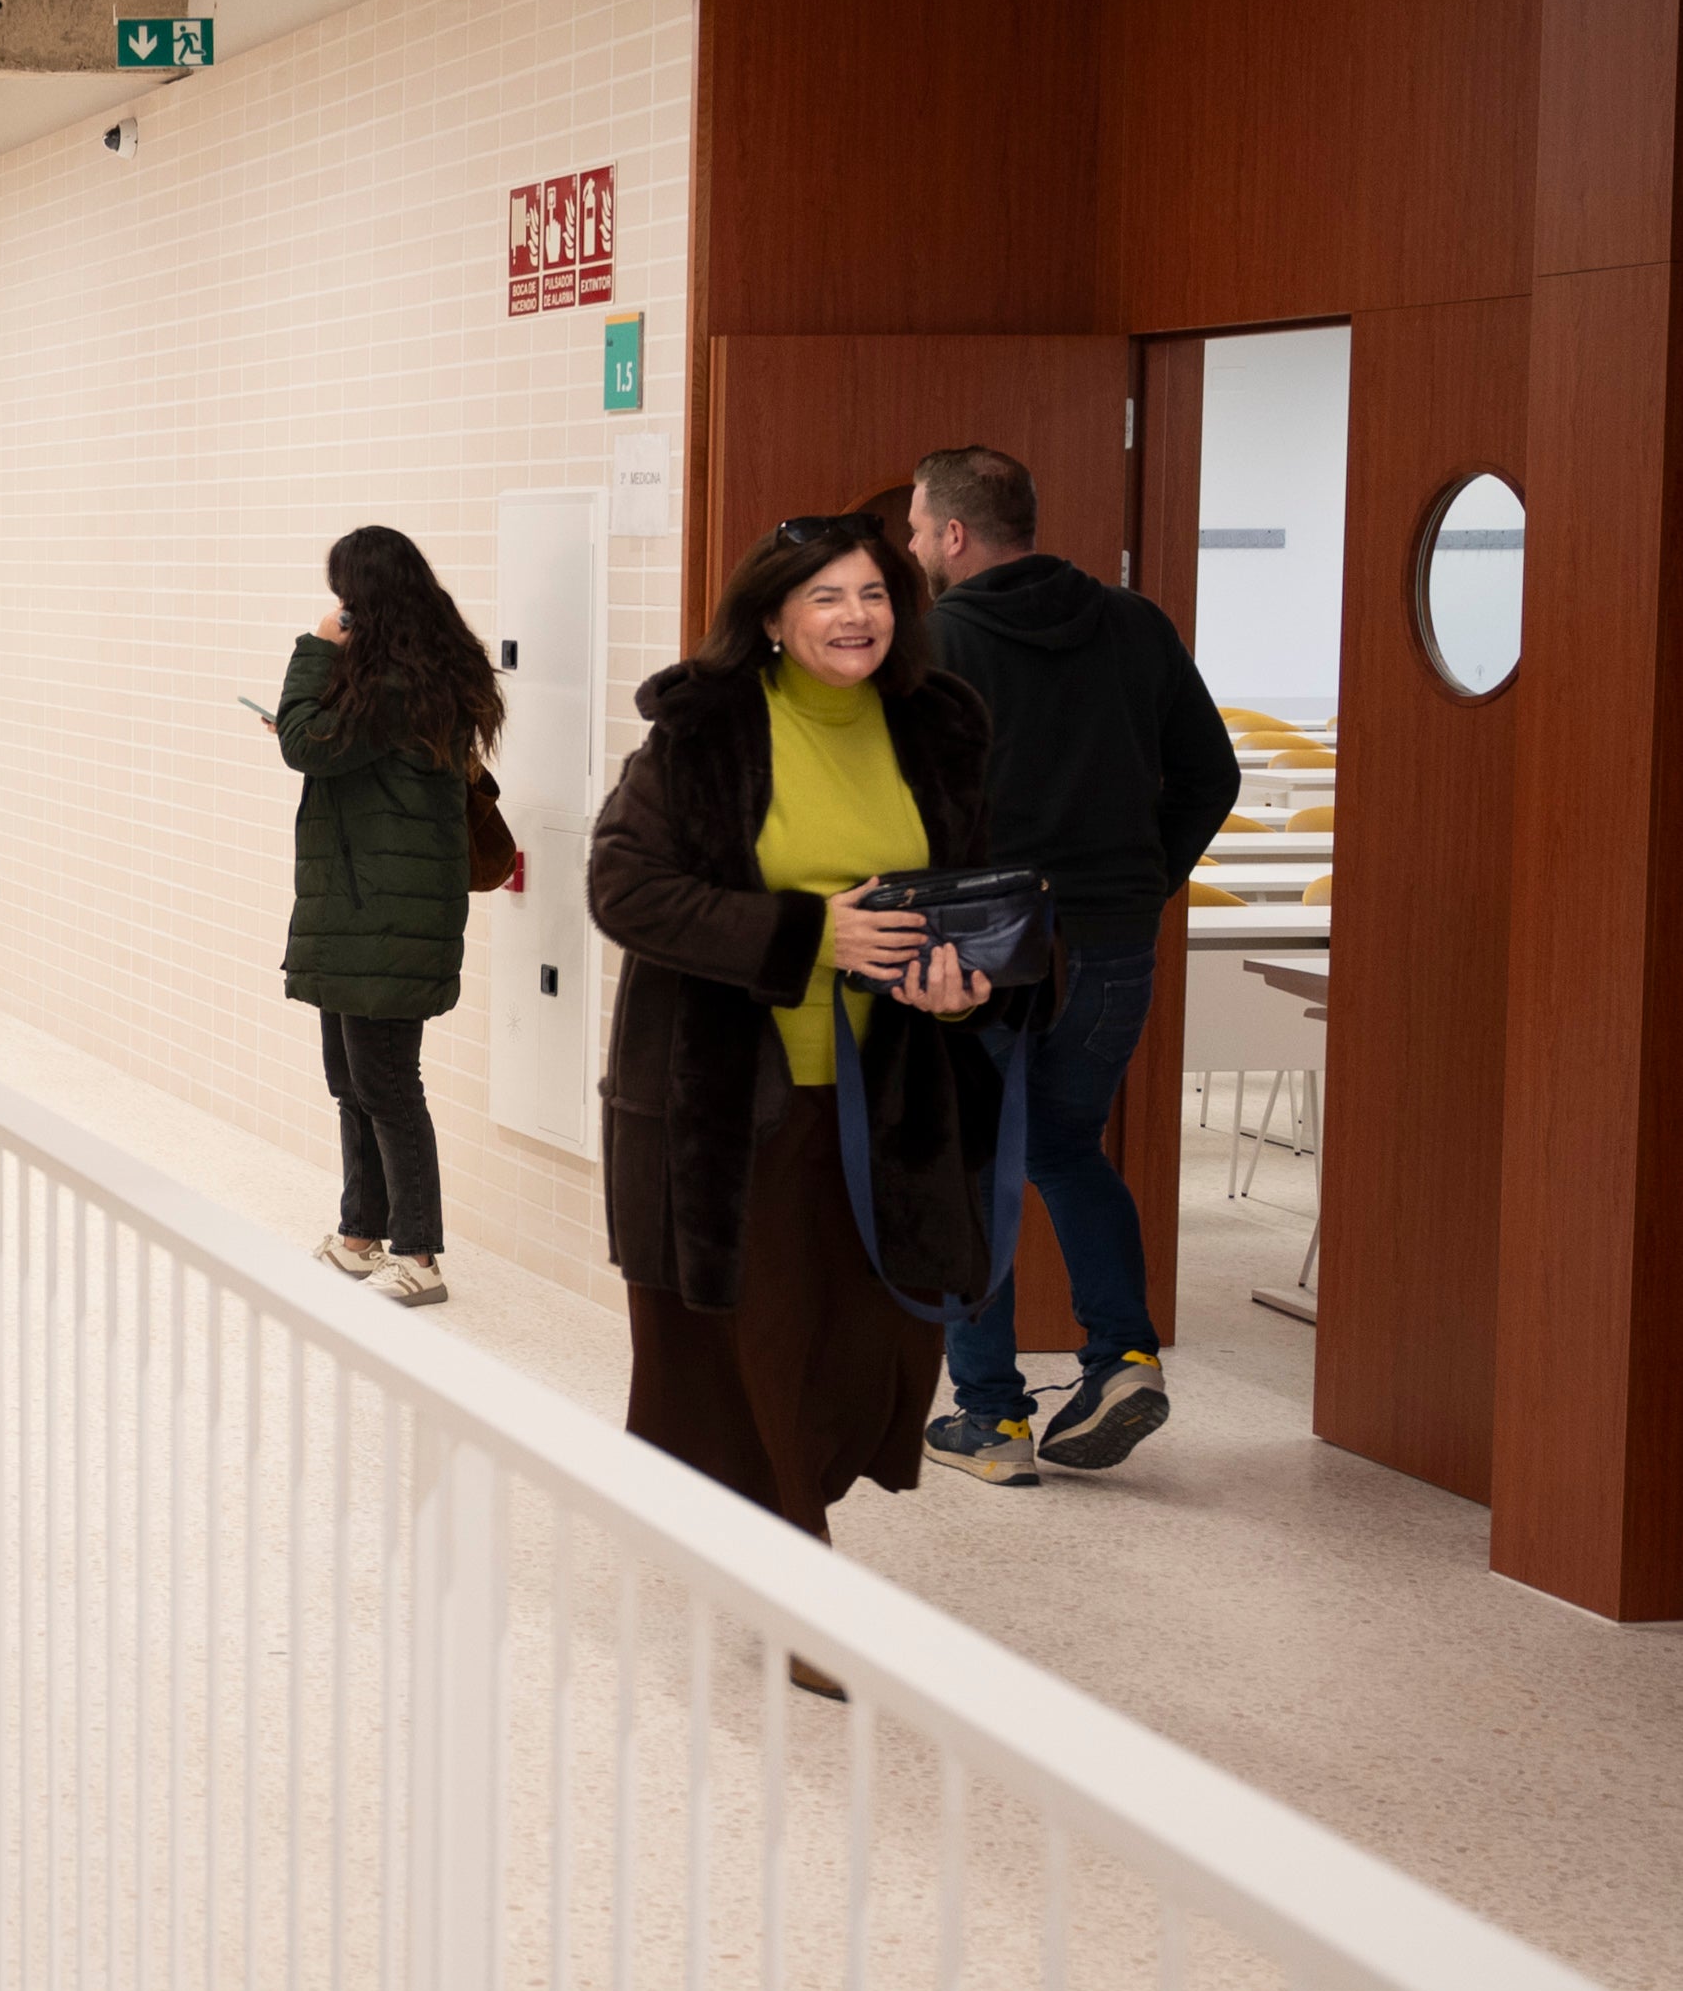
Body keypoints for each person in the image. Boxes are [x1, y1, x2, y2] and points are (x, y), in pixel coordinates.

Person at [588, 514, 1021, 1685]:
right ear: (773, 616)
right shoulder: (706, 729)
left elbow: (976, 887)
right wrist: (809, 932)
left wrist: (965, 981)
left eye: (873, 593)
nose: (855, 616)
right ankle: (802, 1582)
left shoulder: (937, 729)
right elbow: (623, 889)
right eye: (825, 596)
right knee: (756, 1341)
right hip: (731, 1103)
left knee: (865, 1342)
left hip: (889, 1098)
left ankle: (776, 1530)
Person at [909, 445, 1239, 1484]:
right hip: (1112, 937)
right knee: (1064, 1147)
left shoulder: (938, 640)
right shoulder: (1134, 623)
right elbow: (1211, 772)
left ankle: (993, 1418)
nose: (913, 546)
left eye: (918, 529)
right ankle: (1122, 1356)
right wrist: (1144, 878)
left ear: (955, 534)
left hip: (986, 940)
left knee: (972, 1164)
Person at [270, 526, 503, 1310]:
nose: (337, 612)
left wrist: (314, 648)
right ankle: (361, 1232)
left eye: (346, 599)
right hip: (362, 904)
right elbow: (324, 744)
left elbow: (306, 744)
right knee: (352, 1078)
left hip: (387, 913)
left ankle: (420, 1252)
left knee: (386, 1084)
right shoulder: (403, 678)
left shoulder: (398, 682)